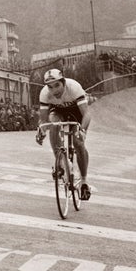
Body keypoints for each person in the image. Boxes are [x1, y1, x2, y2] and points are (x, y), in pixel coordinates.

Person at [35, 69, 92, 200]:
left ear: (64, 82)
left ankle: (84, 182)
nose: (54, 90)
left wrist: (81, 131)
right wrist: (41, 131)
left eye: (57, 85)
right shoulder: (44, 93)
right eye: (50, 87)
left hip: (76, 112)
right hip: (58, 111)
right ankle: (60, 162)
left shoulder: (74, 87)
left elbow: (87, 114)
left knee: (78, 143)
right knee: (53, 122)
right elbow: (43, 120)